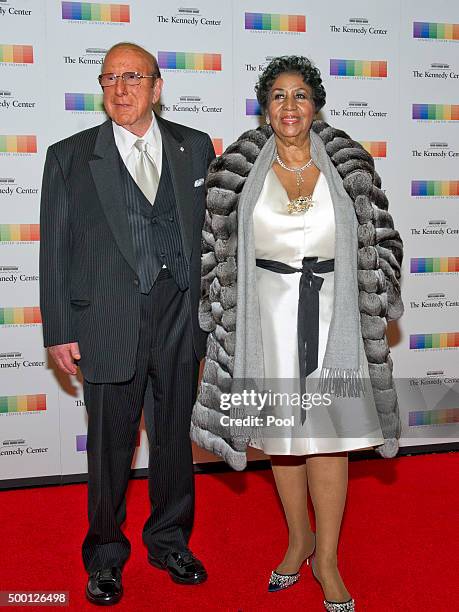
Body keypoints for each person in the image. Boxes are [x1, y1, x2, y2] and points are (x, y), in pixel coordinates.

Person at [192, 56, 403, 611]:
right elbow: (212, 251)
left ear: (316, 105)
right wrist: (216, 312)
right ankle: (298, 541)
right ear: (266, 105)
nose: (290, 106)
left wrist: (383, 293)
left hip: (337, 318)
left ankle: (327, 561)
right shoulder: (235, 167)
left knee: (329, 438)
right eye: (279, 95)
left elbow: (383, 235)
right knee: (282, 442)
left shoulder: (349, 161)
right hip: (265, 319)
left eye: (301, 95)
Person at [40, 42, 215, 605]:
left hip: (180, 318)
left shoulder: (196, 147)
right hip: (107, 323)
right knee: (110, 451)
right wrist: (59, 329)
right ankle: (106, 556)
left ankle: (169, 542)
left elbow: (214, 238)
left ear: (157, 87)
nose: (121, 88)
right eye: (110, 78)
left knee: (172, 444)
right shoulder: (69, 157)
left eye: (133, 76)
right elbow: (56, 249)